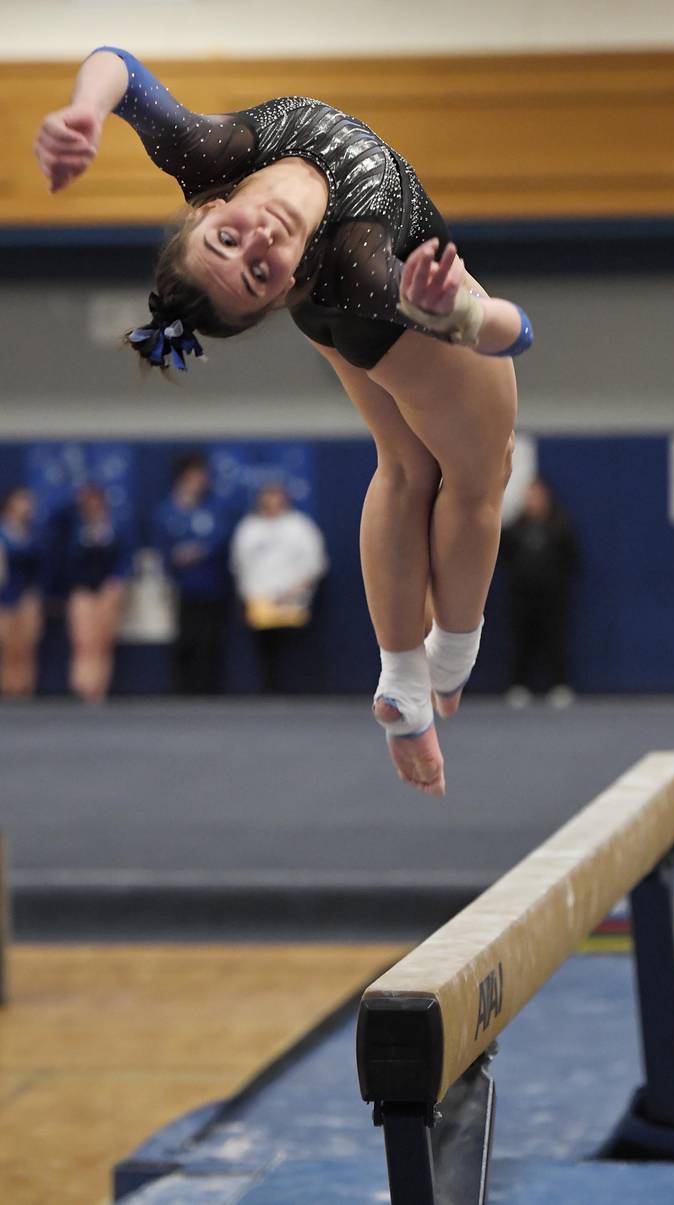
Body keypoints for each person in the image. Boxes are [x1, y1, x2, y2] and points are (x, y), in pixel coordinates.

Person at [34, 47, 534, 795]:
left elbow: (118, 66)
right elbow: (517, 330)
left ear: (206, 207)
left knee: (404, 466)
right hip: (385, 312)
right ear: (280, 293)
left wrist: (84, 111)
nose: (259, 241)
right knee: (475, 472)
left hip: (353, 321)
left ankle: (404, 689)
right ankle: (451, 658)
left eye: (228, 241)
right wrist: (454, 314)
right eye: (258, 273)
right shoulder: (362, 265)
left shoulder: (213, 154)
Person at [230, 480, 328, 692]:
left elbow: (316, 562)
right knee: (266, 649)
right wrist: (249, 597)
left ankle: (298, 692)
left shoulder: (300, 526)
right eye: (268, 495)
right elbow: (239, 565)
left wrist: (296, 590)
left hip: (294, 600)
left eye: (276, 495)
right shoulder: (249, 528)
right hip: (260, 602)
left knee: (293, 651)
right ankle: (268, 690)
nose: (272, 500)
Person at [152, 452, 234, 695]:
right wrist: (176, 557)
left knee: (211, 639)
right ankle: (183, 690)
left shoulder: (214, 507)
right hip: (182, 587)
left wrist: (200, 550)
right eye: (198, 474)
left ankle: (210, 689)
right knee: (185, 639)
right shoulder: (167, 510)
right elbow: (161, 546)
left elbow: (221, 537)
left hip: (213, 585)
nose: (203, 479)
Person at [500, 477, 580, 709]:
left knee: (554, 640)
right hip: (522, 596)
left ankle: (559, 684)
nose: (533, 501)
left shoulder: (560, 526)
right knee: (522, 640)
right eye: (530, 496)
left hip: (552, 597)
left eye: (538, 496)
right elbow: (505, 557)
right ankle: (519, 685)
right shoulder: (515, 528)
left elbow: (571, 559)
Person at [65, 483, 133, 702]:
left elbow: (125, 558)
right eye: (88, 502)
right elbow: (65, 557)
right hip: (83, 589)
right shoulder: (73, 528)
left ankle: (99, 688)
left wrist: (117, 580)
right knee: (84, 640)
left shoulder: (114, 528)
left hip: (107, 590)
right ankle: (83, 685)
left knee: (103, 640)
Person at [0, 487, 43, 699]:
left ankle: (25, 686)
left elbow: (41, 567)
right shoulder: (2, 533)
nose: (27, 506)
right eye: (23, 501)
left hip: (27, 595)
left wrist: (34, 592)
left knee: (26, 643)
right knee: (7, 644)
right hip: (4, 595)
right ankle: (8, 687)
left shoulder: (33, 534)